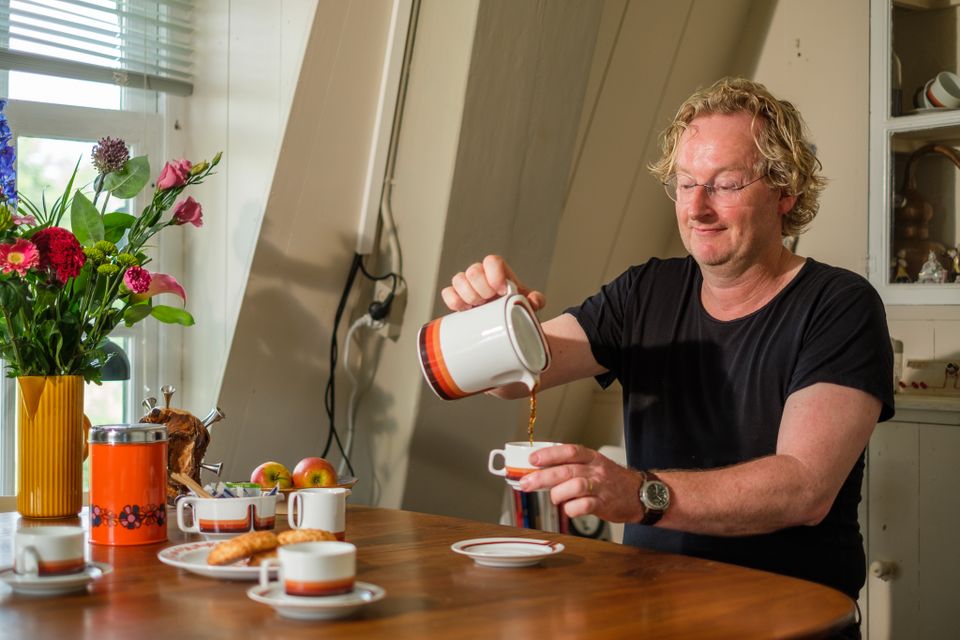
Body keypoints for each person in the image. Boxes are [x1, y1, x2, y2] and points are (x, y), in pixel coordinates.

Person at [440, 77, 894, 634]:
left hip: (790, 622)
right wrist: (493, 320)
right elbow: (516, 376)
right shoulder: (644, 293)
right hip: (651, 615)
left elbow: (804, 489)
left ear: (785, 192)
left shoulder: (840, 306)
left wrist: (639, 494)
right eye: (685, 185)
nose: (698, 208)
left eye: (725, 185)